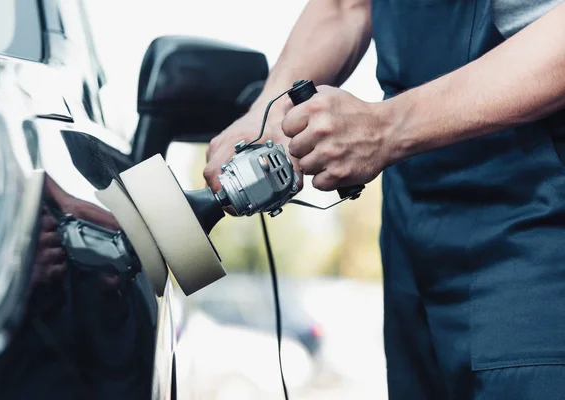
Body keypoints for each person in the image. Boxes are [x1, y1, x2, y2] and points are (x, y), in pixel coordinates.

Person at [204, 0, 565, 398]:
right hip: (412, 235)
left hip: (537, 234)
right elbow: (345, 6)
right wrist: (264, 117)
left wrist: (390, 126)